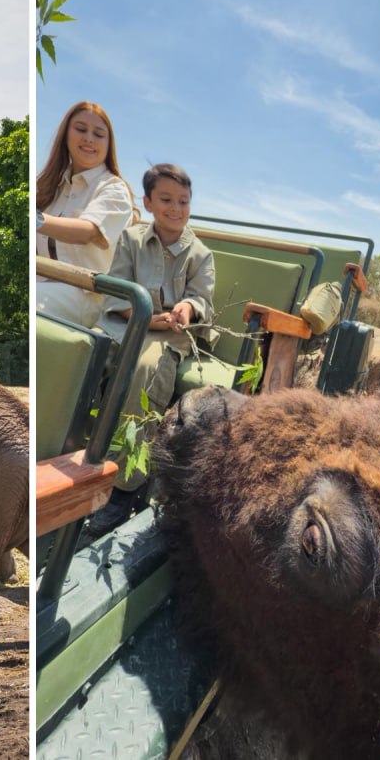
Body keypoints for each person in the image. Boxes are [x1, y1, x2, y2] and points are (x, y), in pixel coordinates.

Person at [87, 163, 216, 536]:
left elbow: (200, 299)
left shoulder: (201, 254)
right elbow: (117, 290)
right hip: (126, 322)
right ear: (147, 202)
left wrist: (185, 309)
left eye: (183, 201)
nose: (175, 209)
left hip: (171, 335)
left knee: (145, 369)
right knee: (88, 352)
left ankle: (124, 486)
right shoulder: (130, 240)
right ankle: (72, 455)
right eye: (166, 200)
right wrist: (143, 315)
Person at [36, 100, 139, 327]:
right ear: (66, 135)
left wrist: (35, 219)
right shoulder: (49, 186)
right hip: (43, 281)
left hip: (87, 295)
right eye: (81, 129)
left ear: (108, 143)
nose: (89, 138)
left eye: (98, 134)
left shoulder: (113, 188)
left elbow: (88, 231)